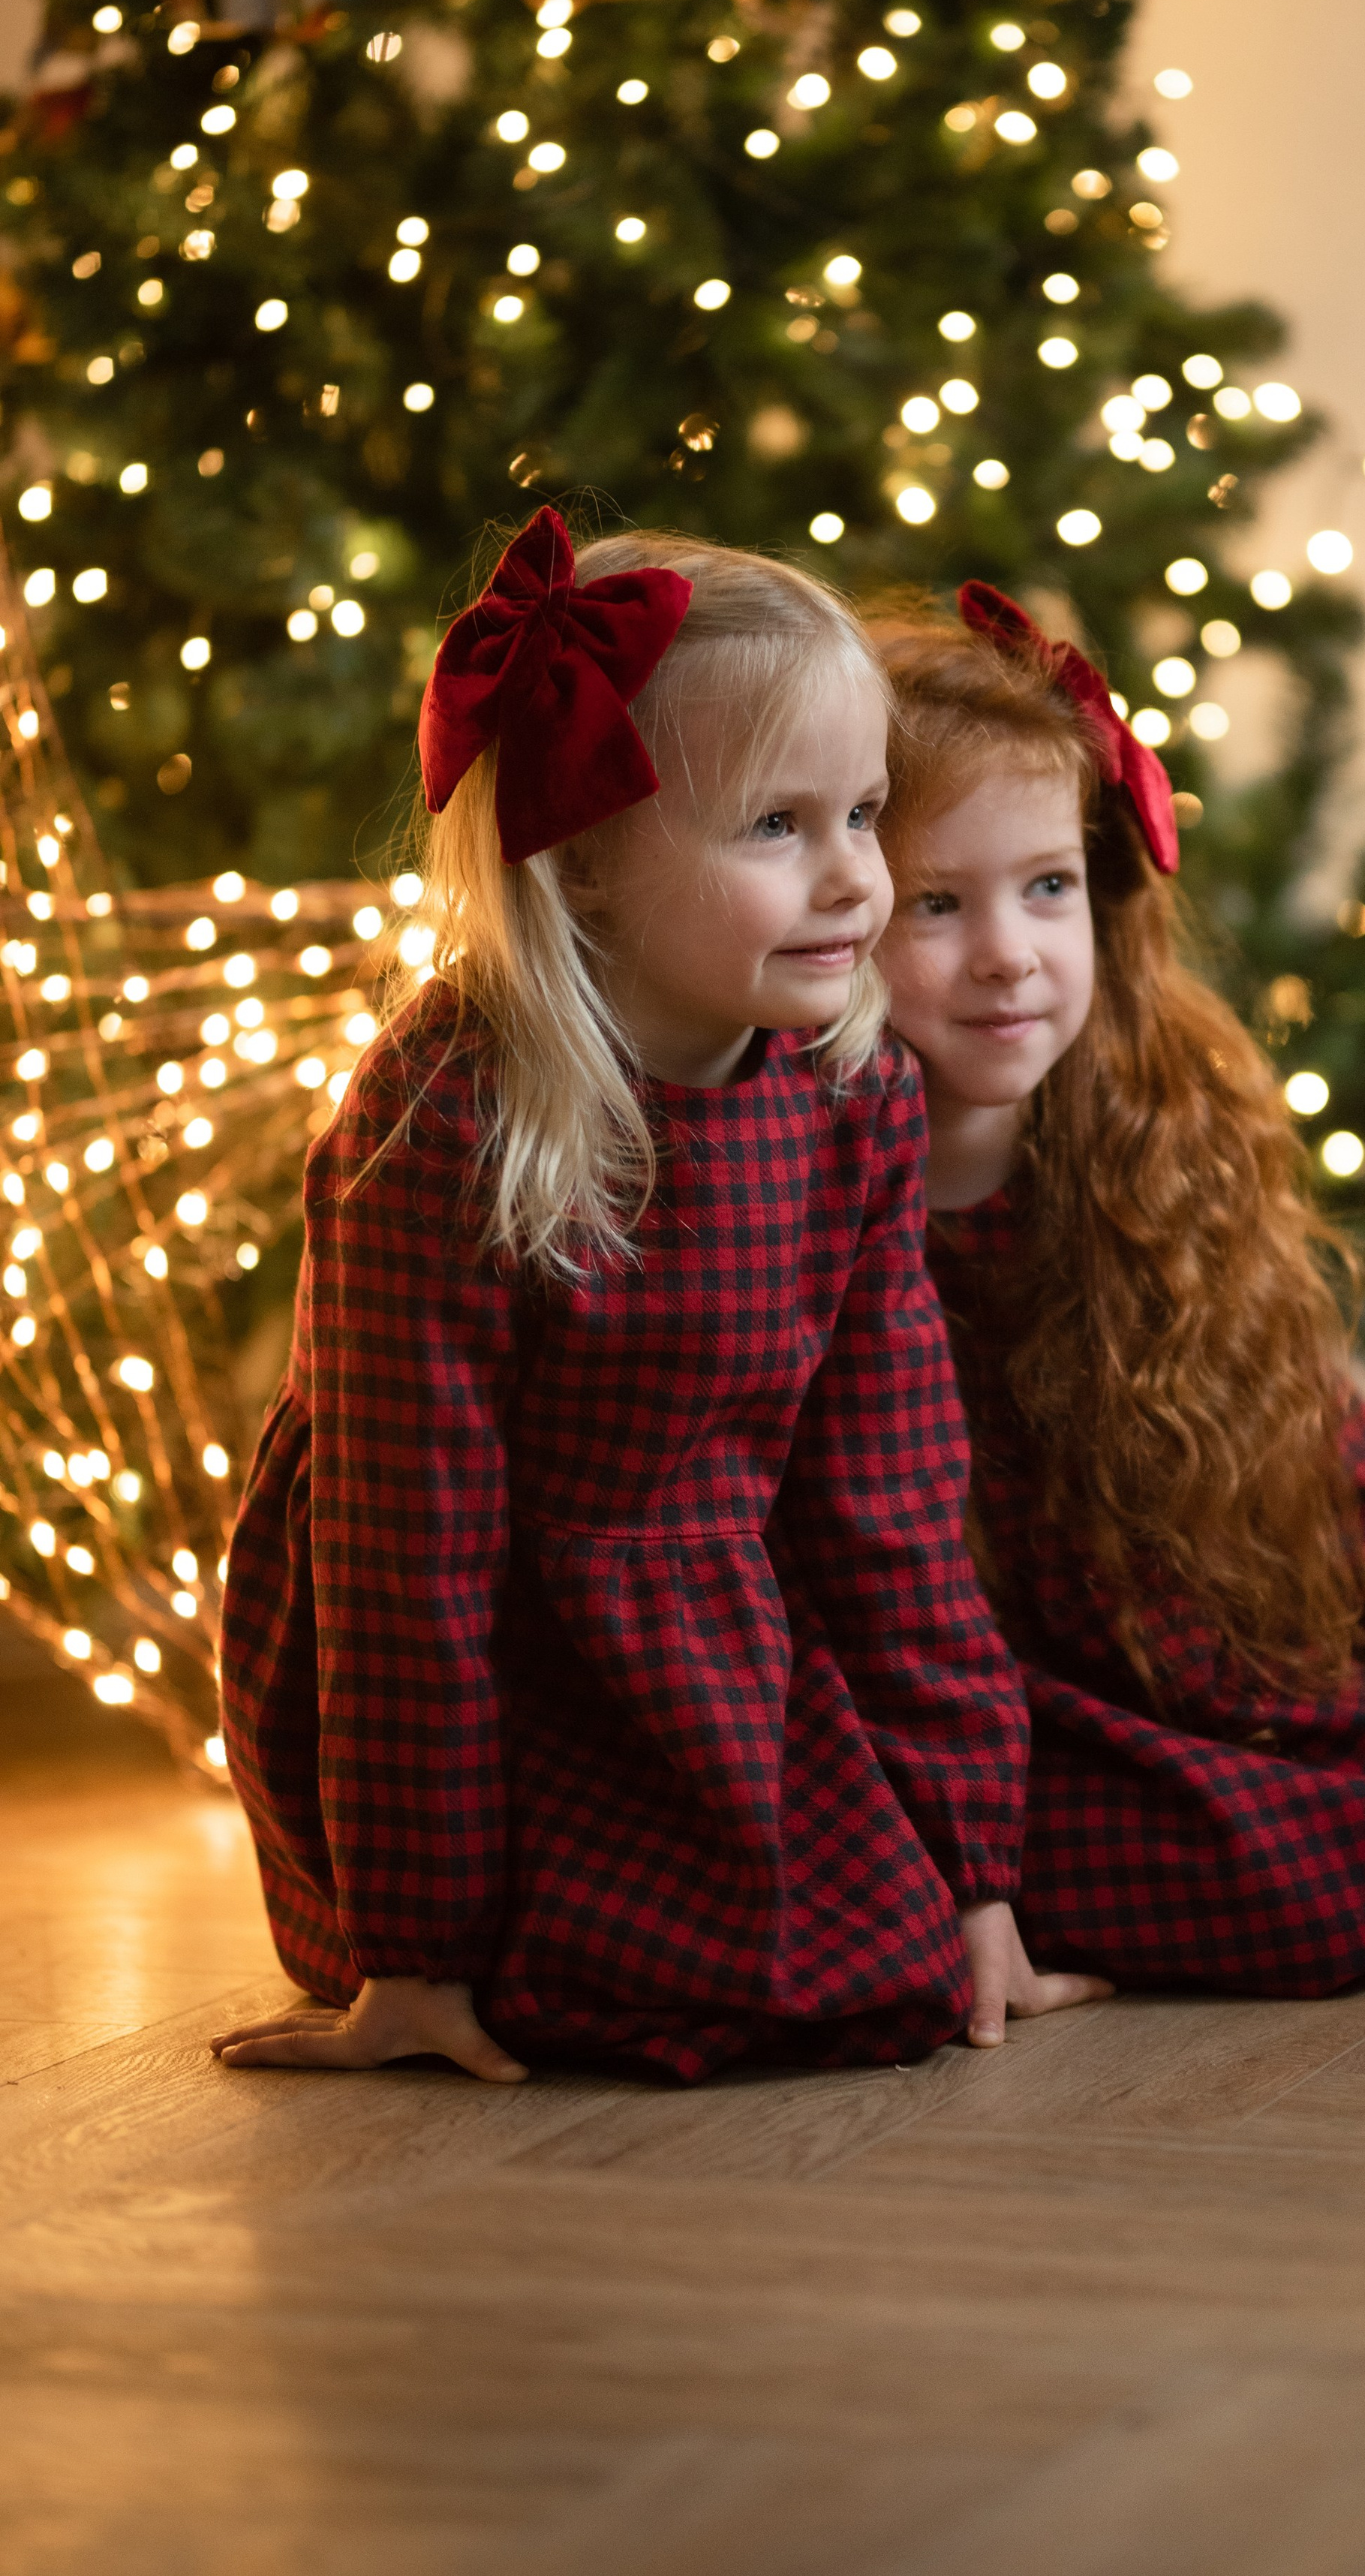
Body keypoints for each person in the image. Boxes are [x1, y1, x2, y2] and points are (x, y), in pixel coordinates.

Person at [212, 516, 1105, 2086]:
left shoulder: (848, 1099)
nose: (856, 880)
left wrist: (973, 1870)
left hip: (708, 1620)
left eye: (865, 815)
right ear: (589, 858)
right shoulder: (444, 1116)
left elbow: (887, 1499)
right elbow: (402, 1546)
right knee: (588, 1996)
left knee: (854, 1978)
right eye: (775, 824)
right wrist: (412, 1944)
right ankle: (446, 1934)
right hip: (469, 1640)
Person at [869, 582, 1365, 1996]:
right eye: (937, 905)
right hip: (902, 1707)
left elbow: (1351, 1489)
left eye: (1049, 887)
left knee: (1319, 1867)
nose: (1009, 952)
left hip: (1121, 1694)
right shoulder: (789, 1189)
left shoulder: (1151, 1166)